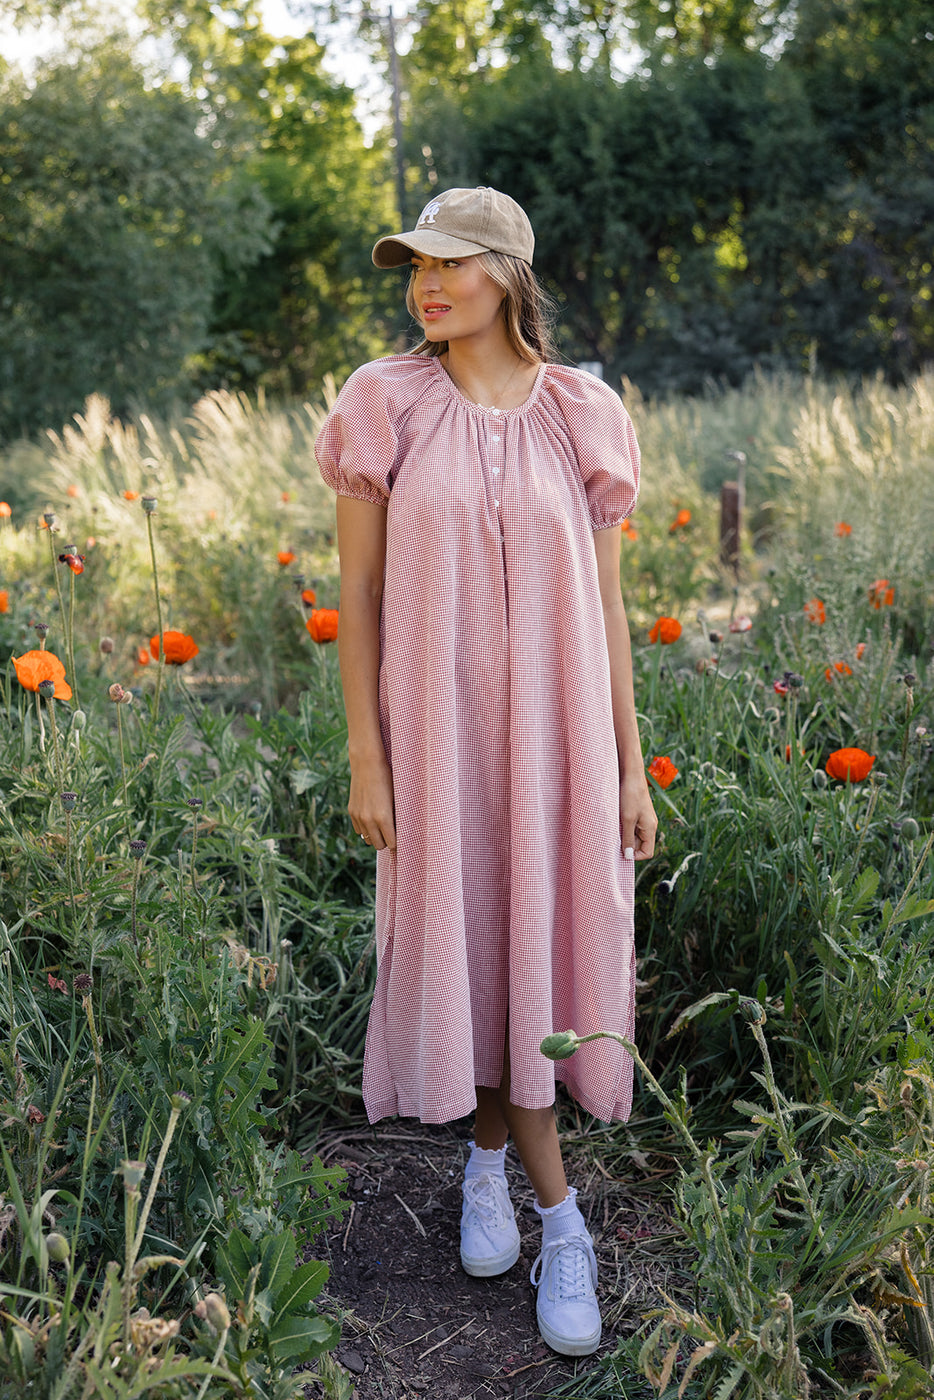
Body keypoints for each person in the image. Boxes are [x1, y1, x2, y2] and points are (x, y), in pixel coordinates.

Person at [315, 186, 657, 1358]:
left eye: (449, 263)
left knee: (540, 953)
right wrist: (367, 754)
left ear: (507, 273)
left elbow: (607, 605)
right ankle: (564, 1219)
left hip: (560, 742)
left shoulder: (583, 413)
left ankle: (488, 1163)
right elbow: (355, 596)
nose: (425, 282)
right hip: (438, 737)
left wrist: (627, 764)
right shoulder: (385, 402)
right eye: (413, 265)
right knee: (470, 941)